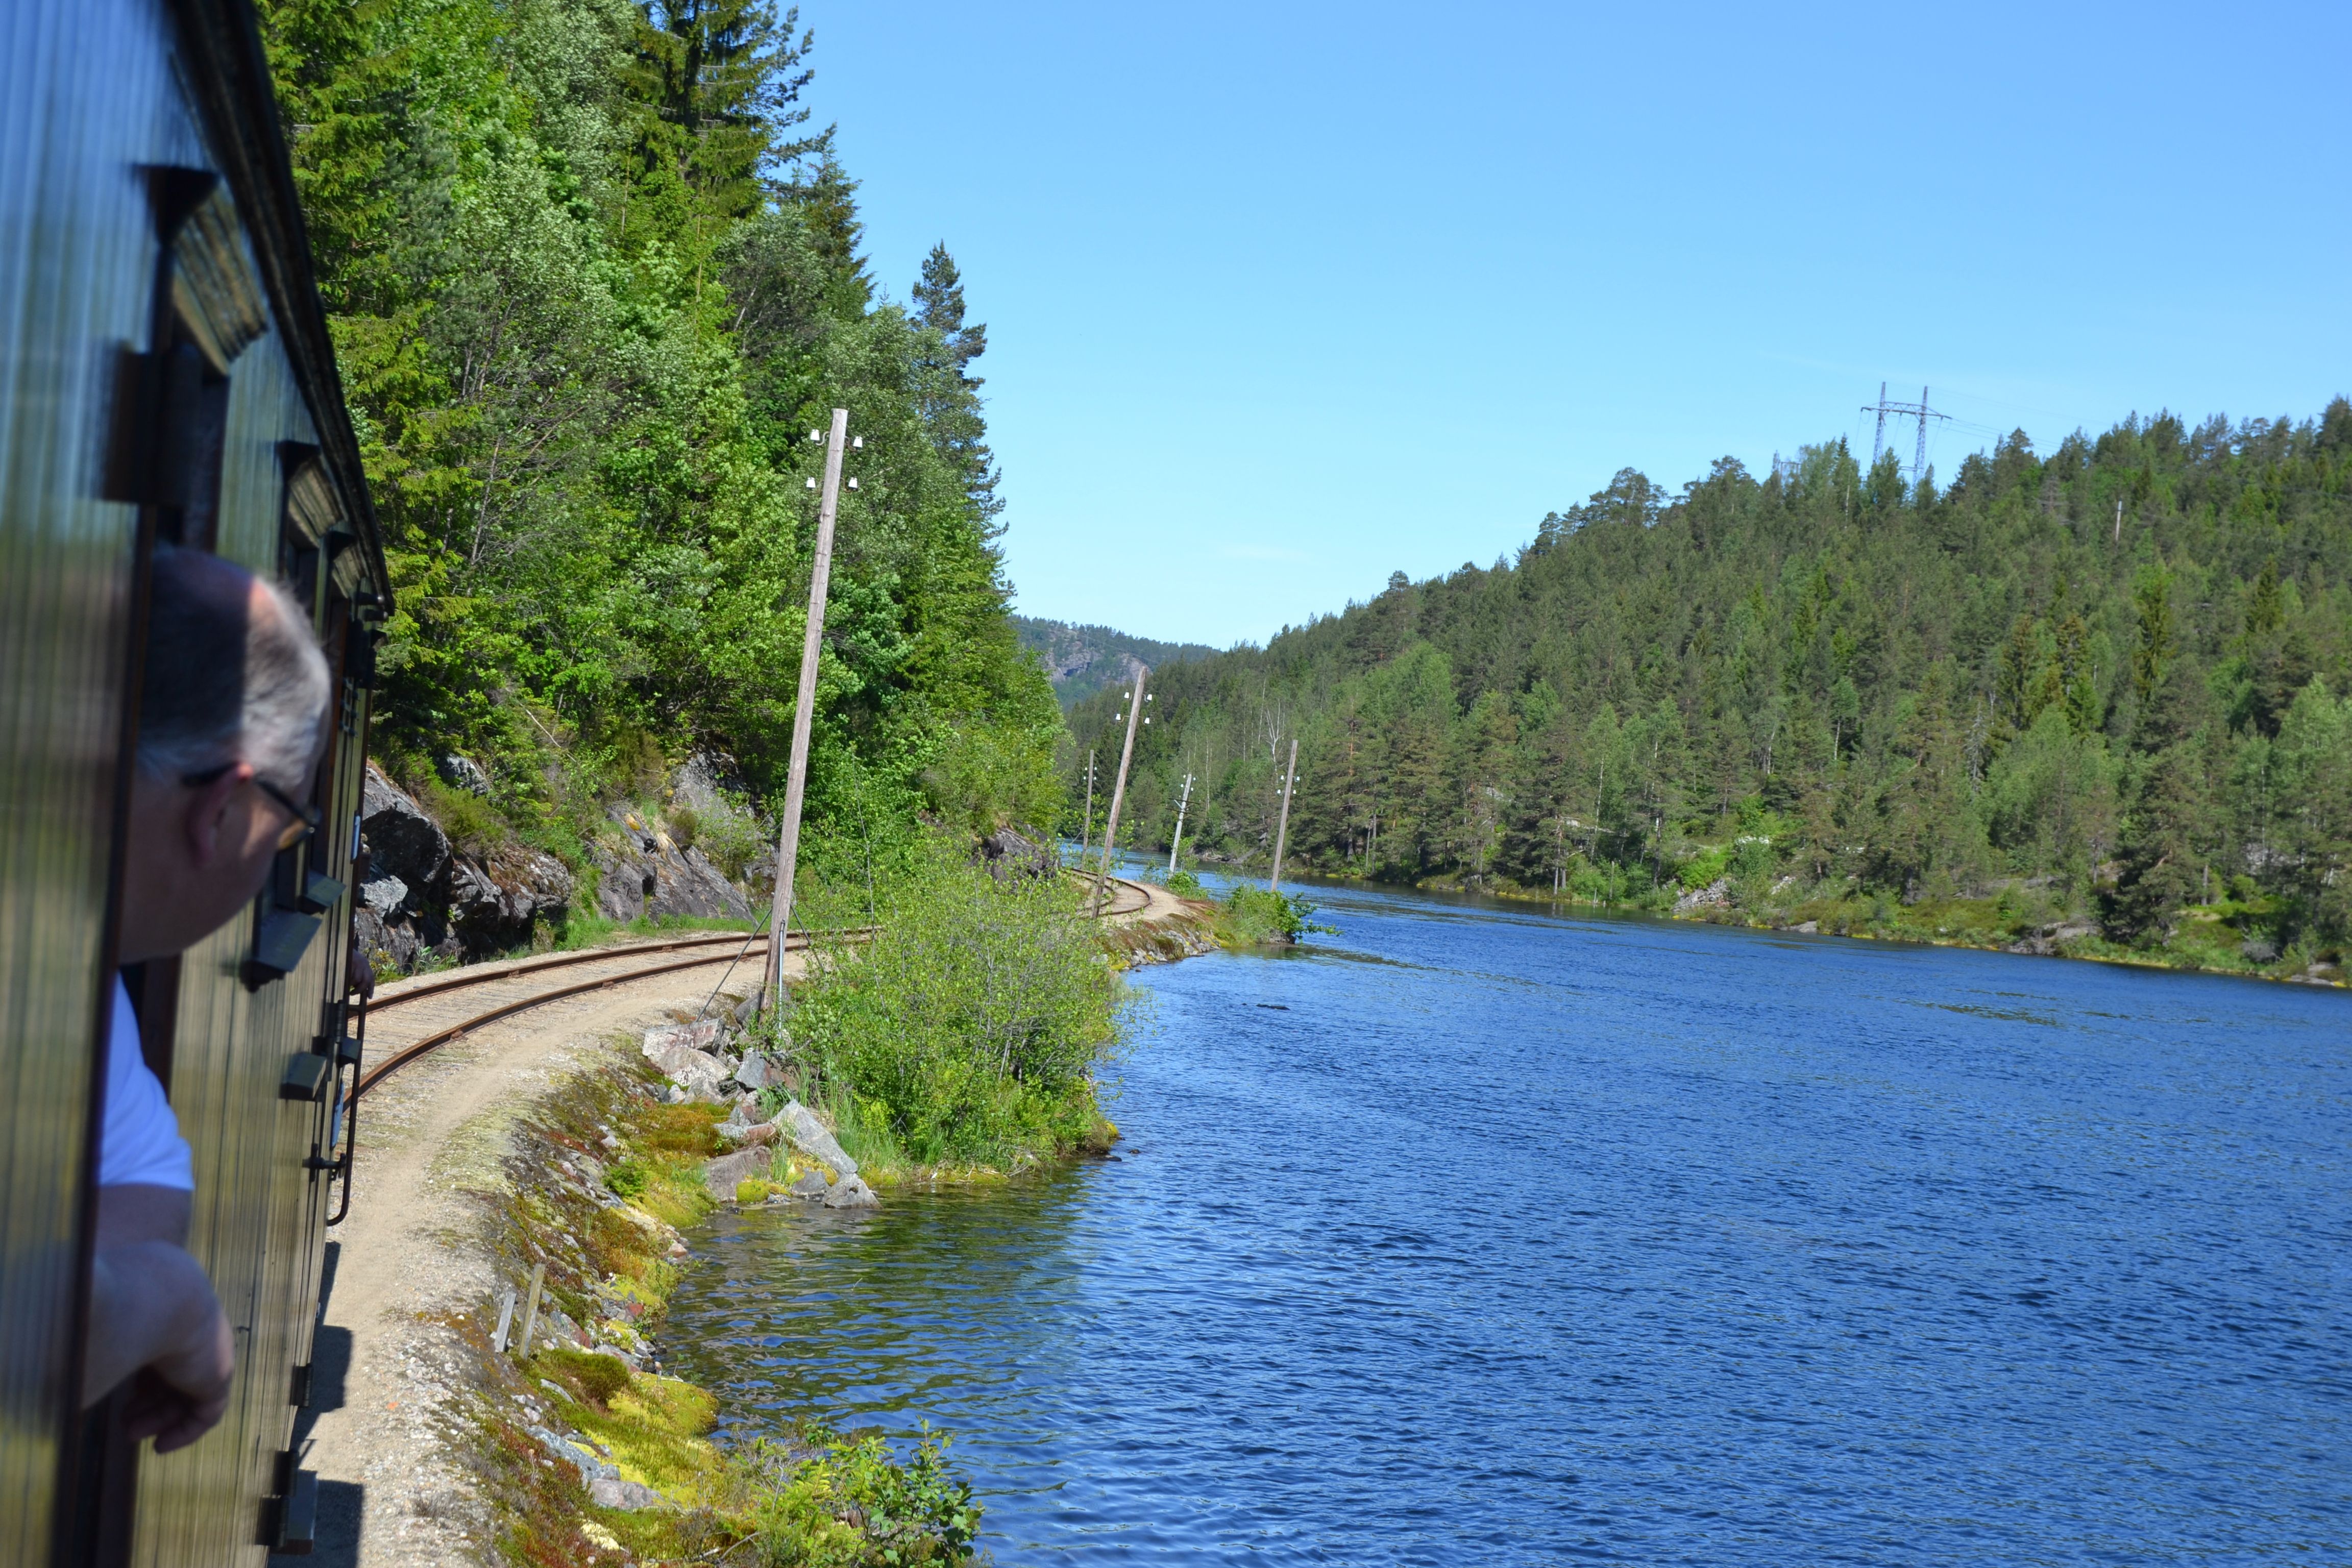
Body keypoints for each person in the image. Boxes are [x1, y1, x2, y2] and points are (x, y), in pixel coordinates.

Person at [85, 546, 331, 1452]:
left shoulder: (89, 978)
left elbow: (146, 1182)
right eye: (288, 828)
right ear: (222, 809)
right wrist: (178, 1306)